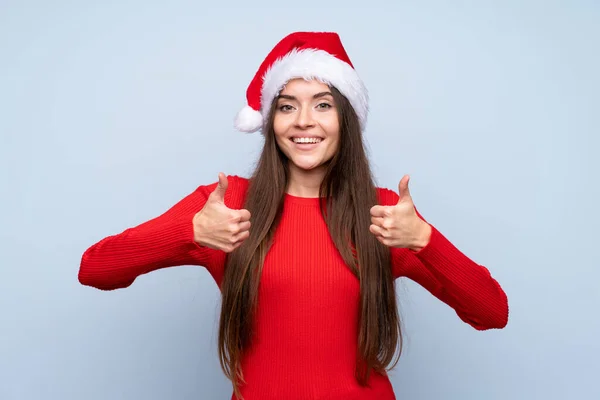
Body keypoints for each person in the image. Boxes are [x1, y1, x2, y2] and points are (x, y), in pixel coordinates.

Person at [78, 31, 509, 400]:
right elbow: (94, 268)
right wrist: (186, 232)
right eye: (287, 106)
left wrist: (425, 240)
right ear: (270, 120)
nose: (304, 121)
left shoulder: (384, 215)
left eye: (322, 105)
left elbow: (492, 311)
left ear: (346, 117)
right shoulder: (226, 205)